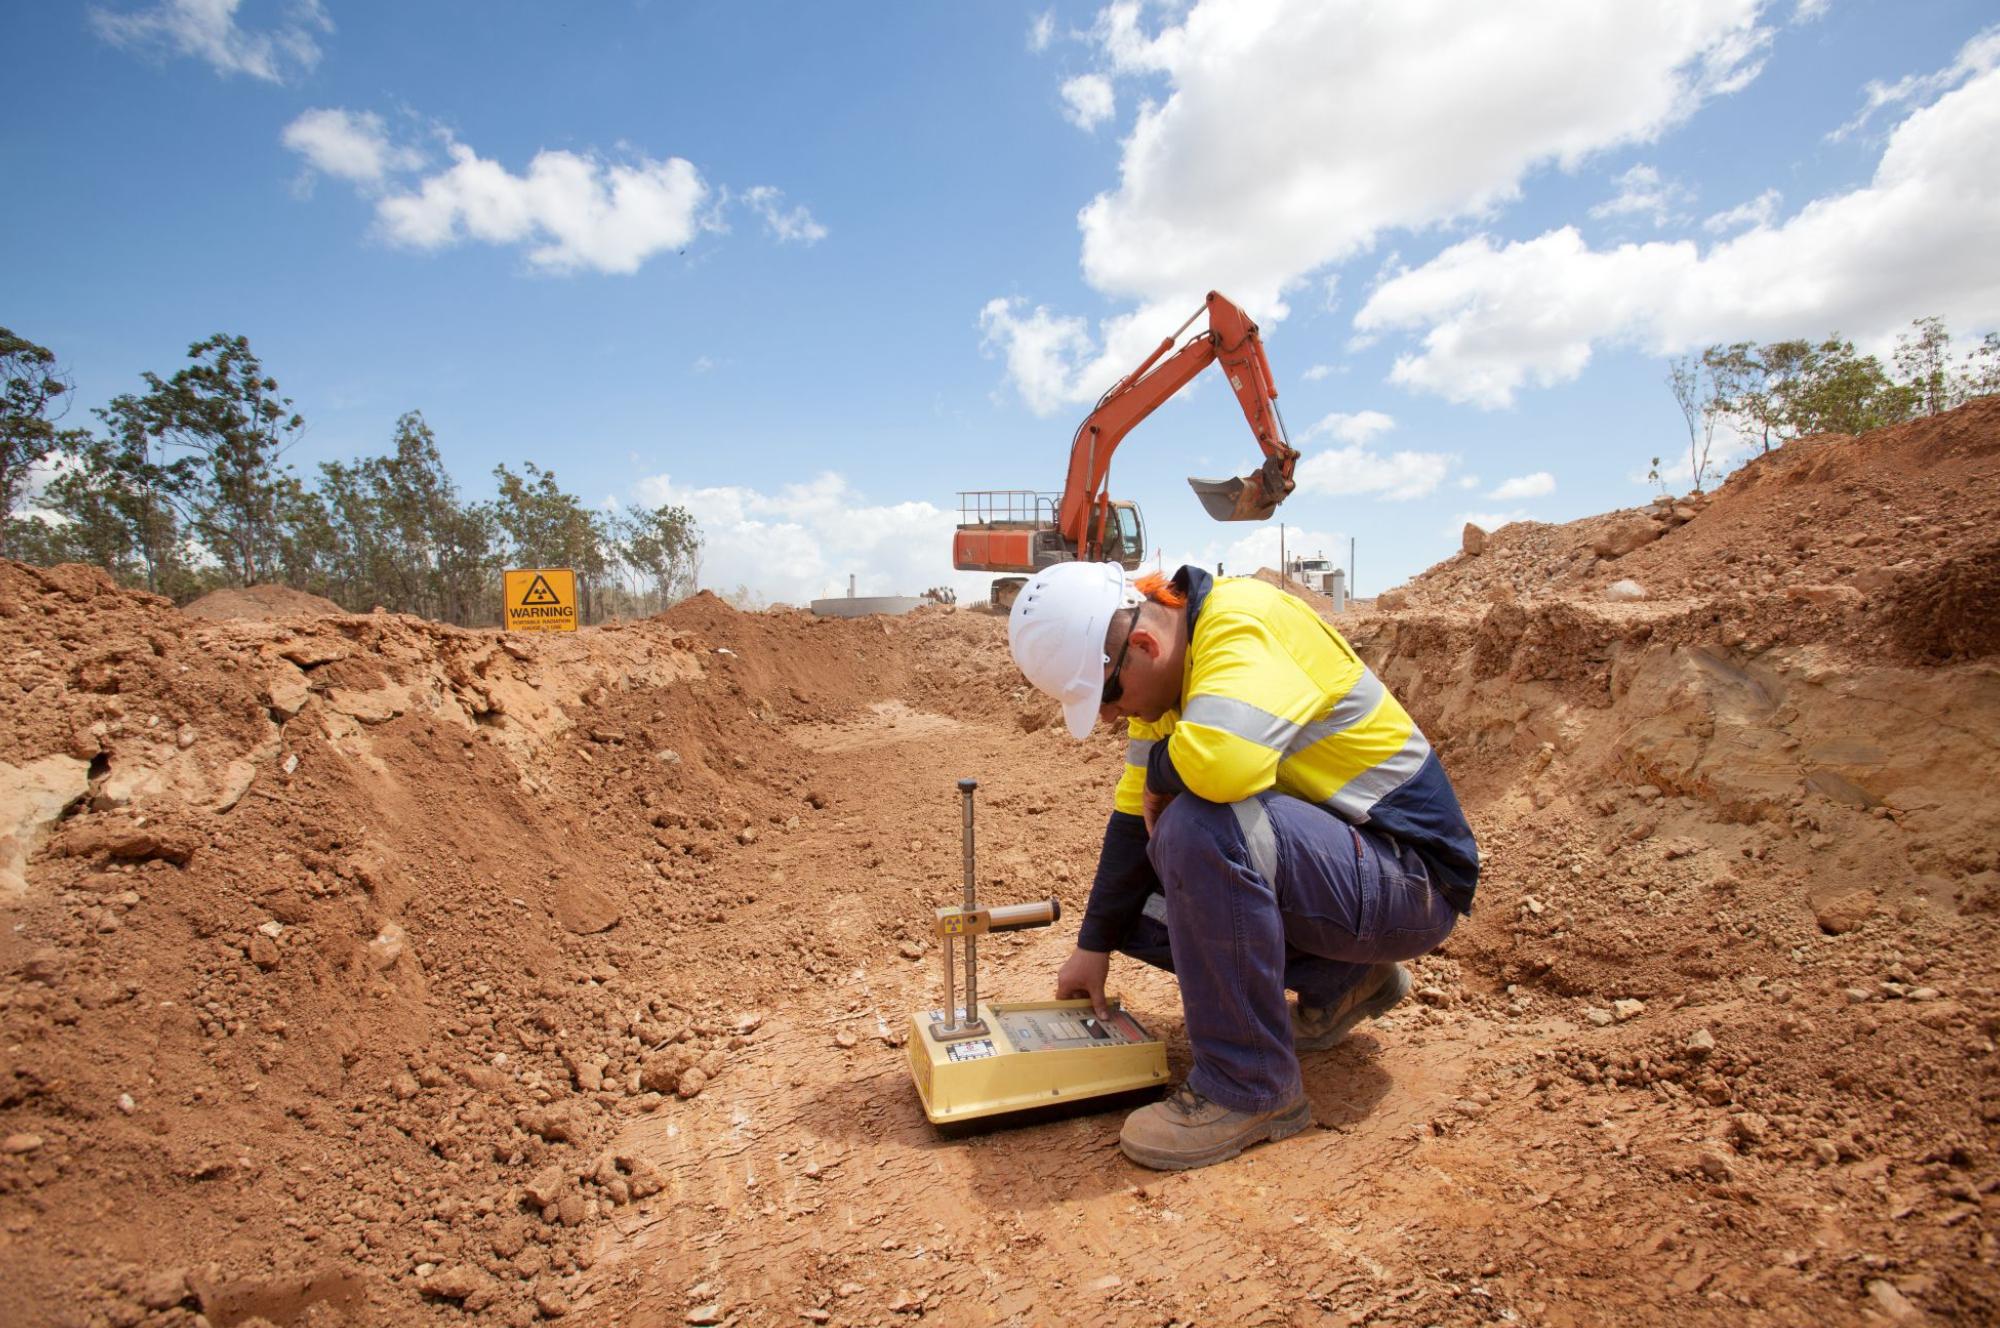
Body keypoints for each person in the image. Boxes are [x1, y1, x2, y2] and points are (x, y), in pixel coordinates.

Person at [1008, 561, 1479, 1170]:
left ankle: (1248, 1086)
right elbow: (1131, 821)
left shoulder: (1240, 624)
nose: (1107, 718)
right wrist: (1094, 943)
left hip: (1413, 879)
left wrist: (1160, 778)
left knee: (1198, 825)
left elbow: (1223, 765)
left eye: (1106, 697)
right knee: (1137, 901)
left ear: (1145, 645)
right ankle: (1344, 981)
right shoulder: (1170, 685)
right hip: (1353, 876)